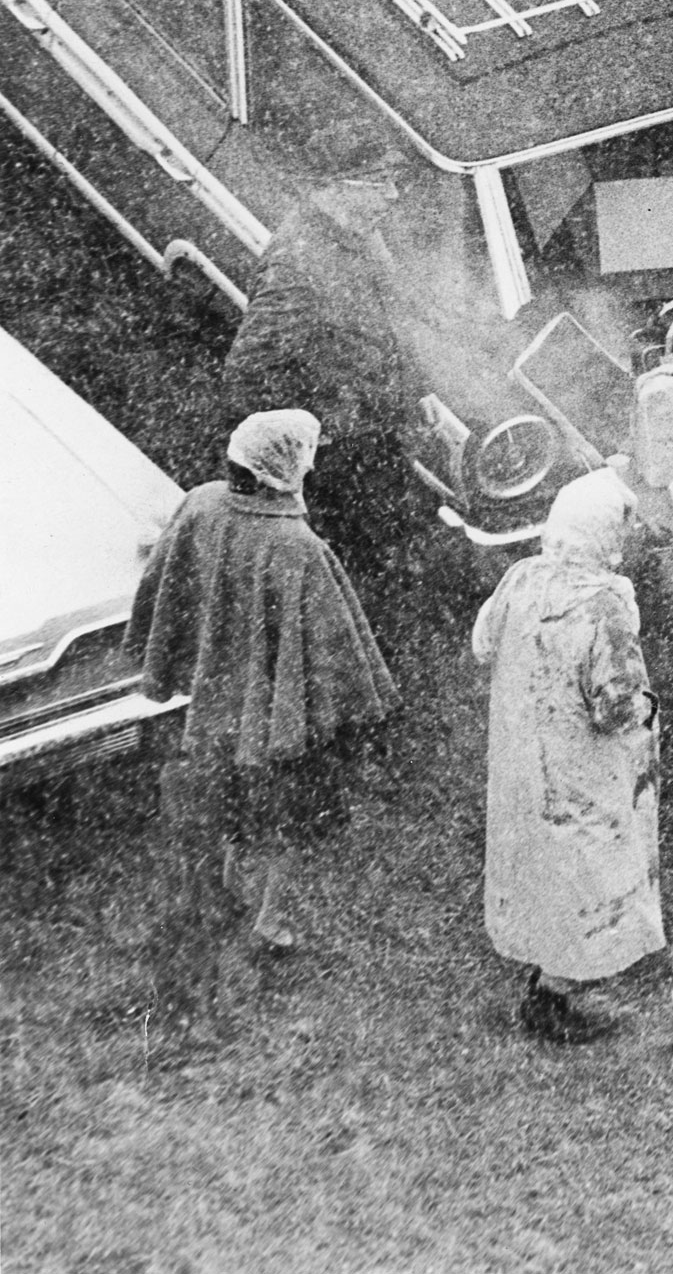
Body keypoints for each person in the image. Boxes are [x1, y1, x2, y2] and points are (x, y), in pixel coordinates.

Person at [128, 410, 398, 1030]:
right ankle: (271, 918)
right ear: (288, 469)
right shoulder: (299, 549)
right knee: (284, 813)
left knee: (221, 798)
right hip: (278, 715)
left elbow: (166, 582)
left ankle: (223, 886)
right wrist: (353, 708)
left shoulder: (200, 506)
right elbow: (334, 646)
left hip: (215, 702)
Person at [475, 466, 664, 1045]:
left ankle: (543, 970)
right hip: (581, 766)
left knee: (539, 865)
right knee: (588, 871)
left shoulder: (521, 578)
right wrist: (648, 707)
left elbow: (483, 644)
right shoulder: (603, 606)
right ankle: (558, 995)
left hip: (524, 758)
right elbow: (614, 709)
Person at [222, 120, 418, 561]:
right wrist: (322, 435)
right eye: (378, 182)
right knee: (361, 566)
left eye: (393, 180)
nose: (393, 194)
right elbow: (246, 377)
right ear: (331, 188)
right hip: (342, 463)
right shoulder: (297, 265)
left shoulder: (360, 234)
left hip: (378, 440)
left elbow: (382, 321)